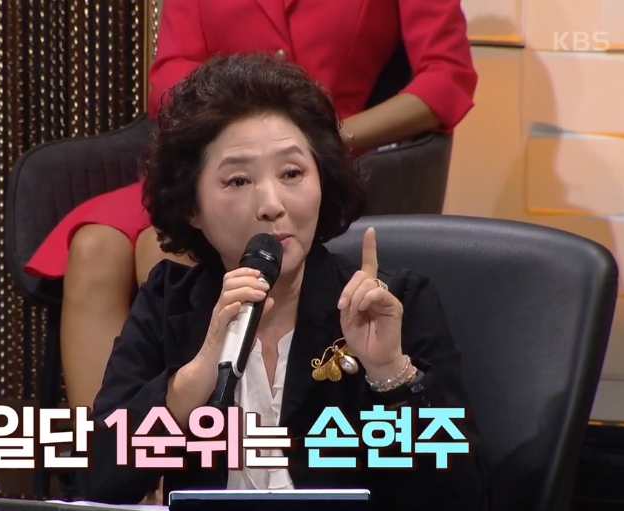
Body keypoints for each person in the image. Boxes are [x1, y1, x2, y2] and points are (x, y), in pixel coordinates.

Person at [76, 53, 488, 510]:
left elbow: (459, 502)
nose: (271, 204)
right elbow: (96, 484)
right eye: (238, 181)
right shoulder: (169, 303)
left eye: (292, 173)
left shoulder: (393, 304)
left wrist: (390, 374)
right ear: (191, 207)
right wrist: (188, 386)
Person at [24, 0, 478, 411]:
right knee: (94, 247)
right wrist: (222, 123)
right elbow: (168, 74)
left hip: (333, 140)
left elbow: (446, 78)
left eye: (291, 176)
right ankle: (108, 451)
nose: (270, 206)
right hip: (219, 147)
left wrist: (317, 138)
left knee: (156, 249)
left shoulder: (407, 295)